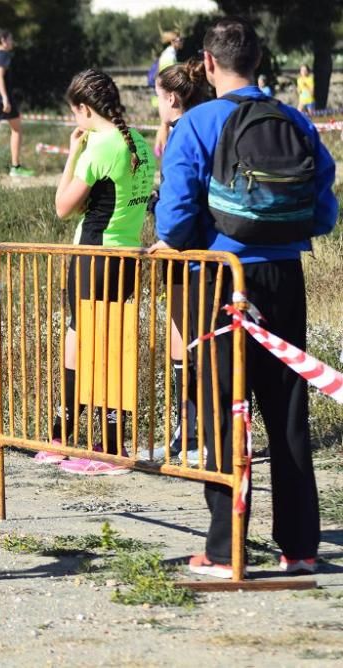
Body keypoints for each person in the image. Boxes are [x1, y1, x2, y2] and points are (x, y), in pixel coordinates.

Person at [151, 17, 337, 579]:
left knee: (220, 410)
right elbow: (324, 212)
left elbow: (178, 216)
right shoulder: (296, 121)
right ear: (259, 62)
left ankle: (223, 545)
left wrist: (172, 241)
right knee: (287, 412)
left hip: (218, 281)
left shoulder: (198, 122)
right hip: (283, 276)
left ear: (207, 64)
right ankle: (301, 547)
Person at [38, 68, 155, 475]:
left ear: (84, 108)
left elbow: (62, 206)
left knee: (80, 340)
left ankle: (66, 434)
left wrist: (72, 154)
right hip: (127, 257)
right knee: (112, 346)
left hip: (94, 256)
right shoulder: (139, 141)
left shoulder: (102, 146)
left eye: (76, 114)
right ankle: (110, 441)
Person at [153, 60, 212, 462]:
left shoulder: (182, 133)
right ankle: (211, 423)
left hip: (183, 248)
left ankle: (187, 425)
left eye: (157, 97)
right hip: (218, 246)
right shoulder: (214, 123)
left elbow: (178, 199)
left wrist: (162, 221)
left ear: (172, 97)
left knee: (183, 333)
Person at [0, 28, 33, 180]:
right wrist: (5, 98)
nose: (12, 42)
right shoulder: (4, 56)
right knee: (16, 130)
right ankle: (15, 167)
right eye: (10, 39)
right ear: (3, 40)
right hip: (0, 99)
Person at [153, 30, 184, 157]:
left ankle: (162, 151)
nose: (182, 42)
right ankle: (165, 152)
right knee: (167, 125)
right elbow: (171, 76)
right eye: (180, 40)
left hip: (165, 93)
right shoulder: (170, 56)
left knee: (165, 125)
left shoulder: (167, 54)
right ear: (173, 41)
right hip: (169, 94)